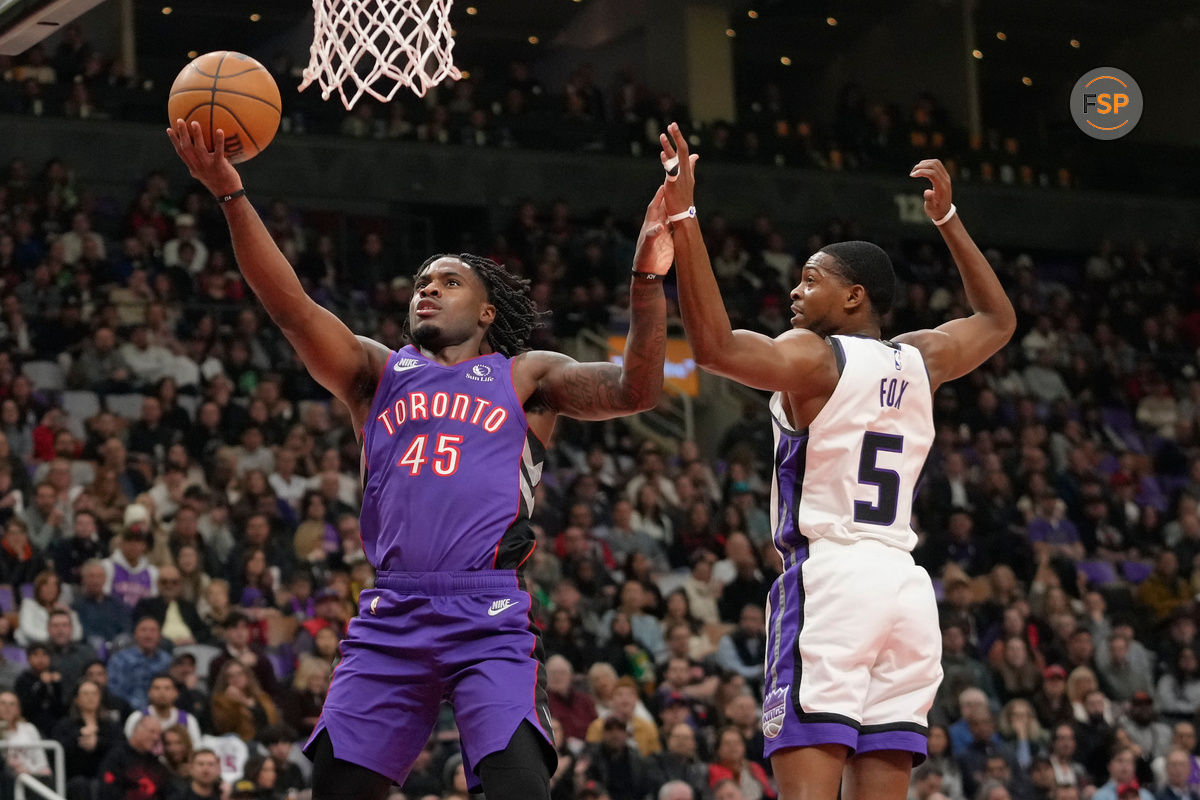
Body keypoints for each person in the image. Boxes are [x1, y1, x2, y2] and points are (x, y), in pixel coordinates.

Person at [168, 116, 673, 800]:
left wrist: (646, 278)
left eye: (447, 282)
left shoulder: (526, 376)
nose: (425, 290)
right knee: (337, 790)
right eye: (419, 284)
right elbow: (290, 308)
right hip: (390, 614)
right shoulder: (375, 373)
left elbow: (637, 390)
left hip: (487, 613)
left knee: (520, 786)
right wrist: (232, 196)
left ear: (489, 311)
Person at [659, 120, 1016, 800]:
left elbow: (713, 348)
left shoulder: (813, 356)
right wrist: (949, 221)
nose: (796, 293)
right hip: (906, 588)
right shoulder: (922, 358)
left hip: (833, 581)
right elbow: (998, 322)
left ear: (853, 297)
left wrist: (685, 216)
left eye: (810, 279)